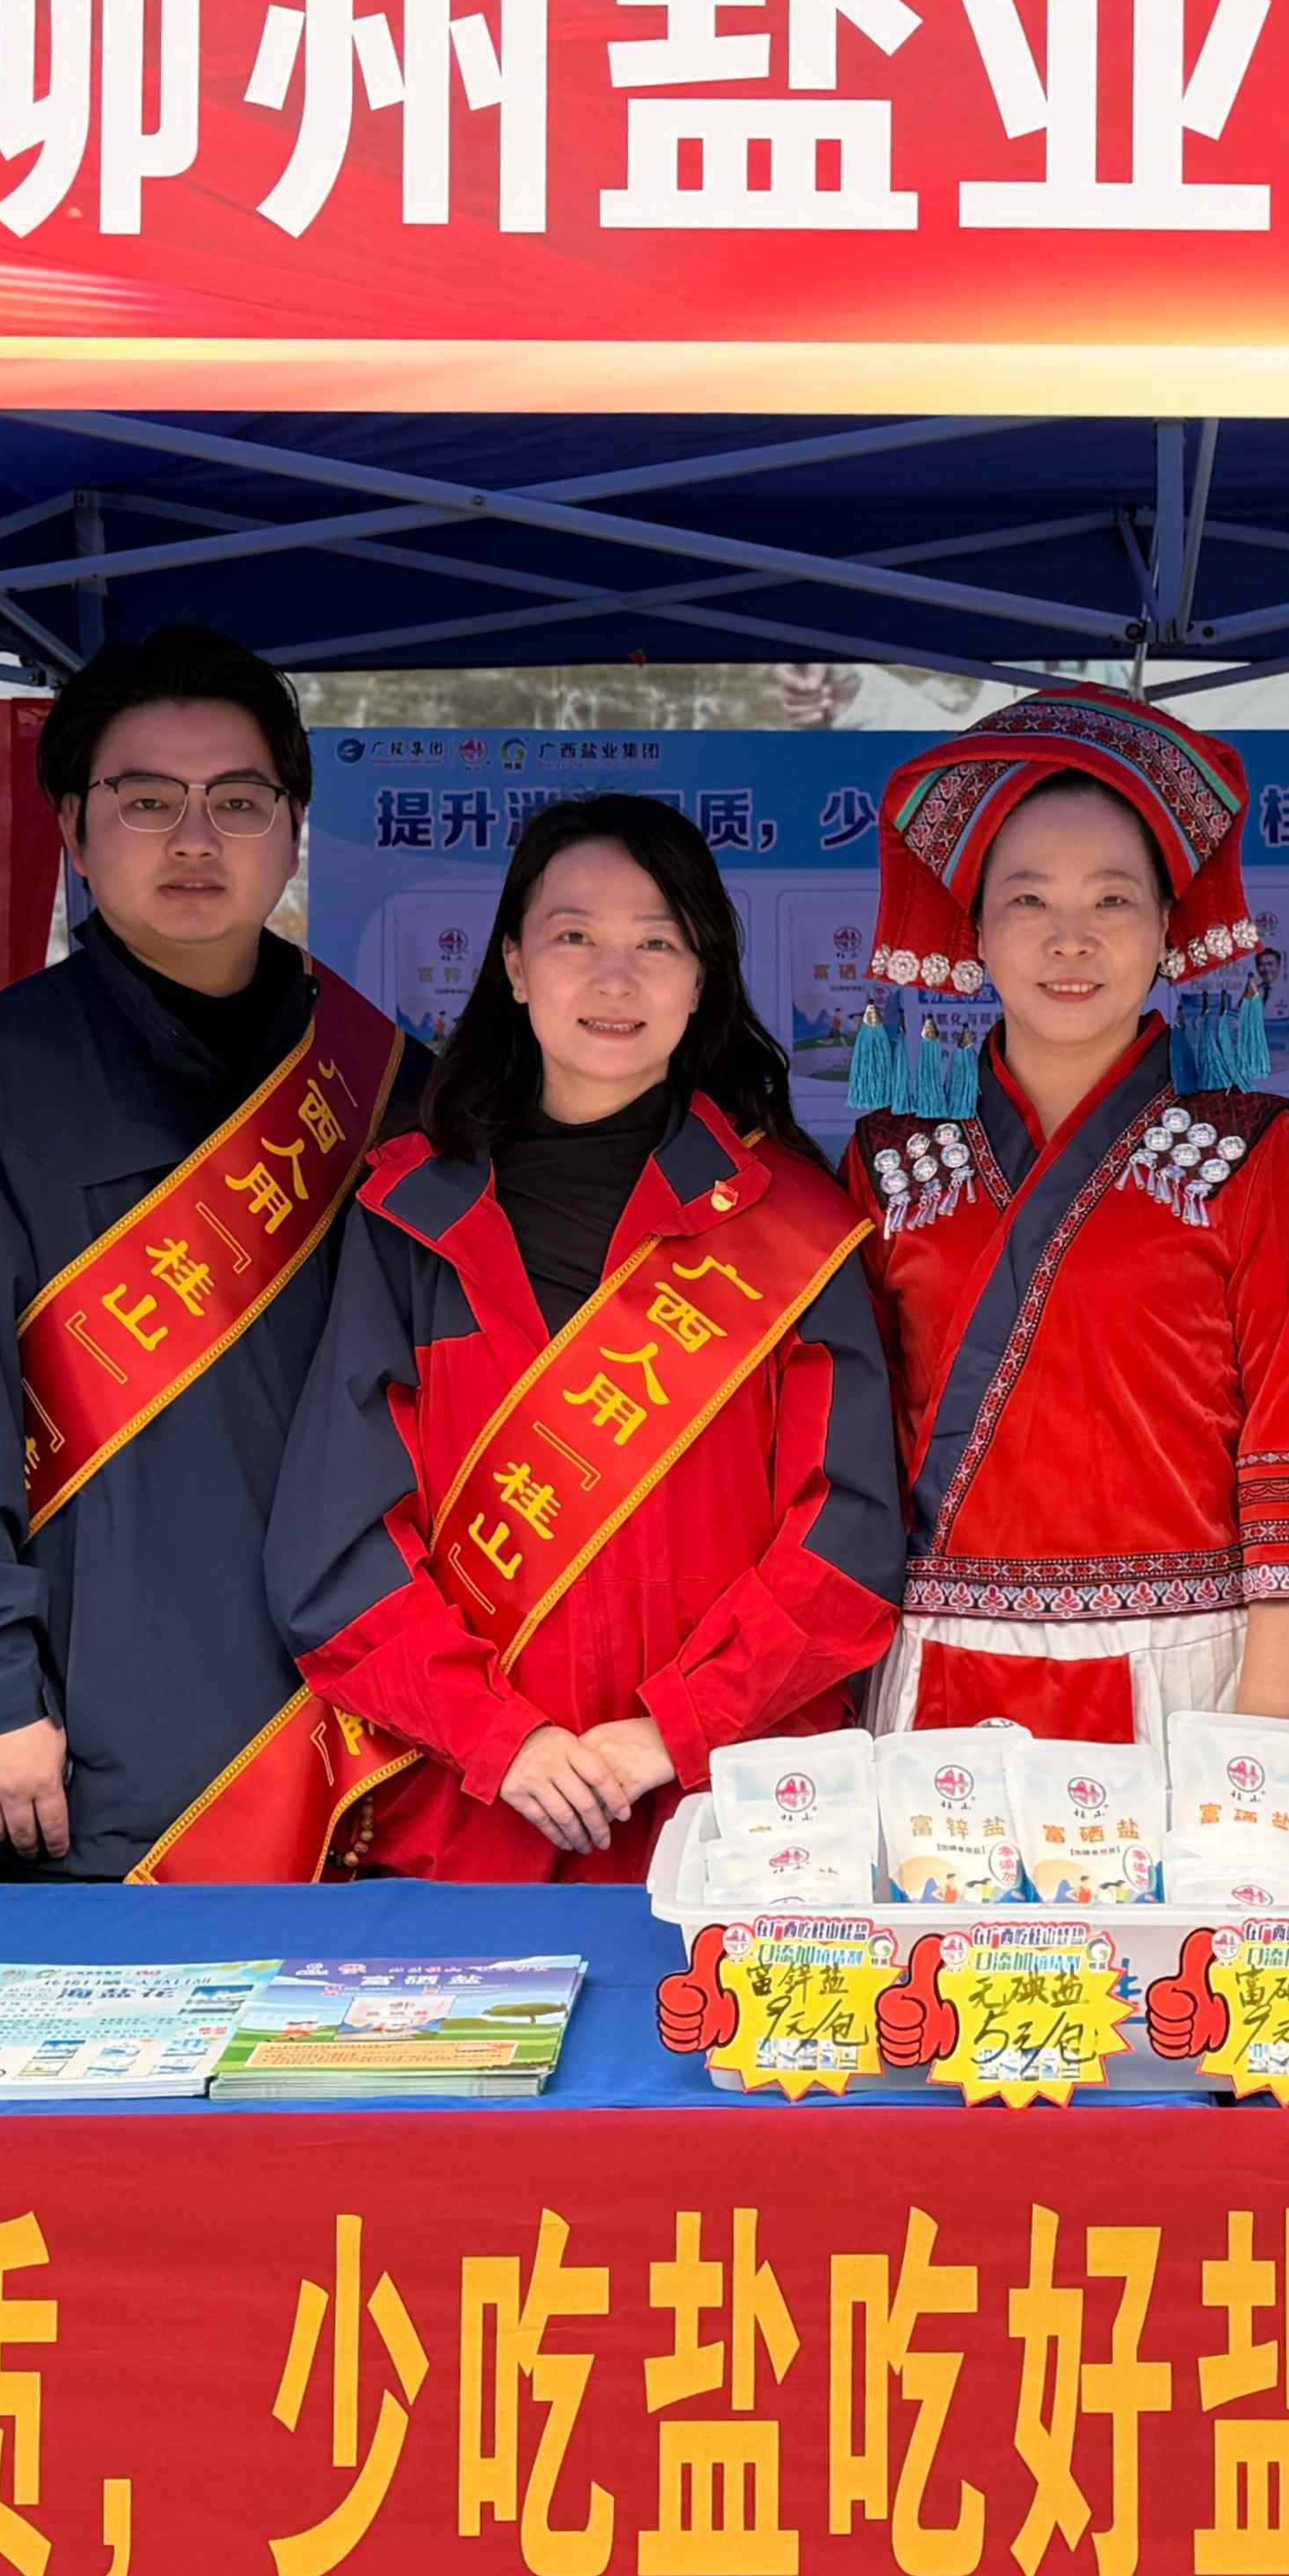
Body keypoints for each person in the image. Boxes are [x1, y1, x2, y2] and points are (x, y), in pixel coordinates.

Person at [0, 626, 424, 1882]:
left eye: (238, 801)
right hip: (97, 1737)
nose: (194, 839)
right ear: (73, 828)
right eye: (147, 800)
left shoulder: (386, 1078)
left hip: (380, 1716)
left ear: (293, 827)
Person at [267, 794, 901, 1881]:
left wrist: (676, 1726)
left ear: (701, 979)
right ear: (514, 965)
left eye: (657, 942)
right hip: (473, 1820)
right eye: (574, 937)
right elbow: (337, 1547)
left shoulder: (795, 1226)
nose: (615, 978)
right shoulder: (411, 1219)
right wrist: (498, 1737)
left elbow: (847, 1539)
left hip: (738, 1817)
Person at [836, 686, 1289, 1753]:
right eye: (1028, 899)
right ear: (974, 927)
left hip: (1189, 1678)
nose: (1069, 939)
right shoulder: (892, 1160)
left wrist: (1263, 1722)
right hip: (939, 1668)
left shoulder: (1250, 1148)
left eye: (1112, 899)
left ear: (1168, 925)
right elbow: (843, 1454)